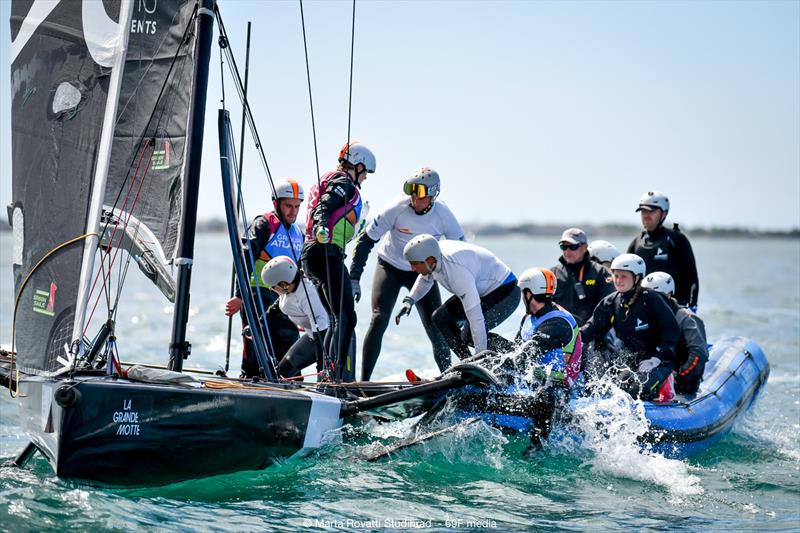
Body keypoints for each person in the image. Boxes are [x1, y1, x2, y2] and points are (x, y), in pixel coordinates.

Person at [349, 167, 465, 380]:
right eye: (410, 190)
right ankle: (363, 383)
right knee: (379, 319)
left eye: (419, 192)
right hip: (390, 267)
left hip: (423, 273)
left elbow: (461, 253)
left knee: (435, 325)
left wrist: (463, 296)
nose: (413, 197)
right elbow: (366, 241)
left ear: (432, 195)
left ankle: (448, 379)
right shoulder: (396, 207)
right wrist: (354, 277)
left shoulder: (443, 214)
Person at [302, 142, 375, 381]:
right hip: (326, 253)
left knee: (336, 318)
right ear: (357, 164)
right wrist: (323, 225)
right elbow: (324, 206)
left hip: (312, 255)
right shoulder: (343, 182)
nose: (364, 179)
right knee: (346, 317)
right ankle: (333, 377)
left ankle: (327, 373)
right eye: (364, 173)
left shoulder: (330, 179)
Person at [224, 178, 305, 378]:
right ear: (276, 203)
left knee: (291, 340)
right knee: (256, 341)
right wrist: (239, 295)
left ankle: (292, 380)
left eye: (297, 206)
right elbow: (245, 258)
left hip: (285, 298)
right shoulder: (264, 224)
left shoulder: (298, 233)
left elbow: (300, 271)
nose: (293, 211)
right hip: (257, 293)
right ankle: (249, 377)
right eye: (288, 206)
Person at [396, 234, 520, 360]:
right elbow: (425, 279)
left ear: (429, 260)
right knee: (440, 317)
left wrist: (480, 356)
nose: (412, 269)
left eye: (414, 264)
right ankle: (467, 364)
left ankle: (518, 356)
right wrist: (410, 300)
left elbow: (476, 319)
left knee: (469, 335)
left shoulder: (456, 272)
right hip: (480, 289)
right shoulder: (433, 258)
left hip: (506, 292)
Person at [580, 253, 681, 401]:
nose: (619, 281)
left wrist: (656, 358)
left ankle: (667, 381)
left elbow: (672, 332)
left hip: (659, 361)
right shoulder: (611, 301)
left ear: (637, 278)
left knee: (638, 391)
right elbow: (590, 329)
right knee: (613, 390)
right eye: (616, 275)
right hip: (632, 362)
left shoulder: (652, 299)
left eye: (624, 276)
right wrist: (569, 336)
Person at [260, 256, 330, 379]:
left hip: (331, 341)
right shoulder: (288, 289)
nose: (271, 289)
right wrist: (259, 323)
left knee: (327, 382)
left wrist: (321, 372)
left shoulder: (308, 295)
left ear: (283, 284)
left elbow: (322, 337)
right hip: (313, 337)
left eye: (272, 287)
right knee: (281, 374)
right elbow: (276, 307)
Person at [628, 191, 699, 310]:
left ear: (664, 213)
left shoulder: (677, 239)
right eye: (643, 211)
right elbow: (627, 277)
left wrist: (692, 305)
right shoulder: (636, 243)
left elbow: (692, 277)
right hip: (644, 309)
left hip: (674, 308)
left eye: (651, 211)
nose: (646, 215)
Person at [641, 271, 708, 395]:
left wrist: (679, 376)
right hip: (654, 375)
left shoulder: (686, 318)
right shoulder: (643, 318)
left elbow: (699, 353)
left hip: (682, 382)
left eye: (656, 296)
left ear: (669, 295)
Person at [551, 228, 614, 327]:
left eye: (573, 247)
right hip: (561, 333)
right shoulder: (552, 274)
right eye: (563, 247)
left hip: (592, 335)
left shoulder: (601, 273)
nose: (567, 251)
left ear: (585, 247)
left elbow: (608, 307)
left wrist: (585, 332)